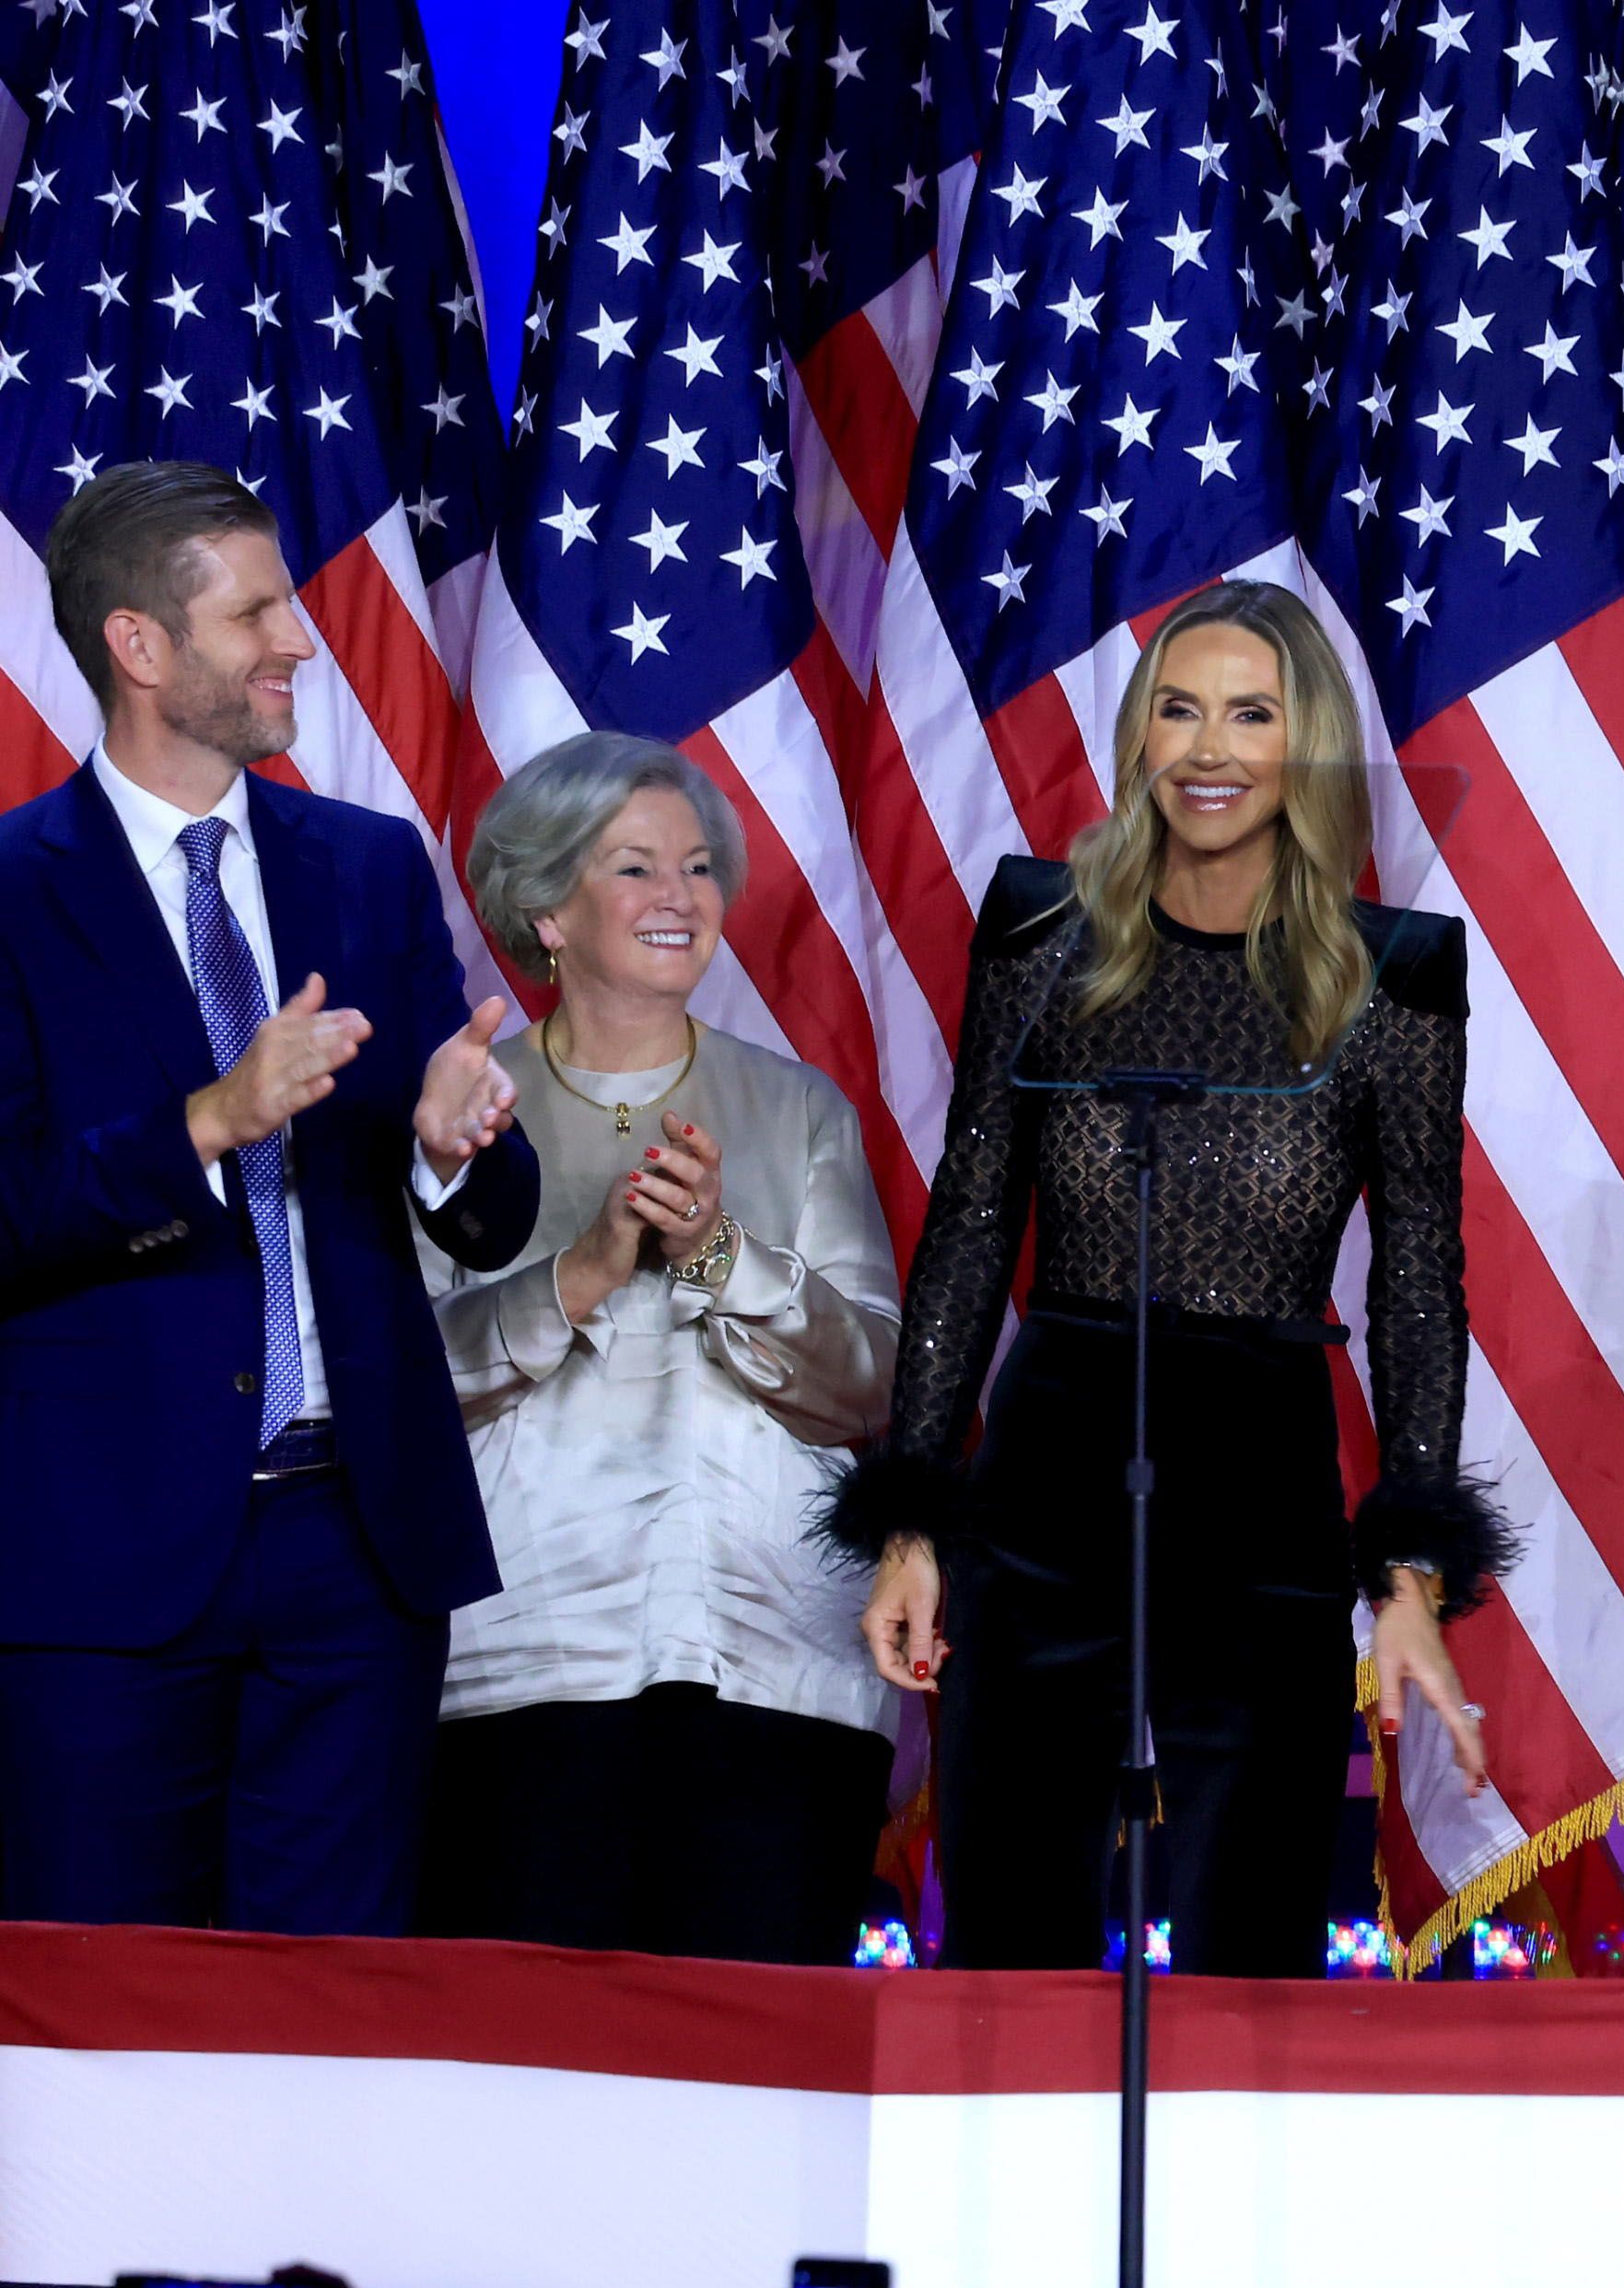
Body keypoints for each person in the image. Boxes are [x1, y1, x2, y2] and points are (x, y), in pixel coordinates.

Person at [827, 582, 1500, 1977]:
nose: (1210, 746)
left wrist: (1414, 1571)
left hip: (1262, 1466)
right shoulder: (1038, 930)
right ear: (1139, 737)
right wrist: (911, 1522)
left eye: (1252, 713)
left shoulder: (1397, 976)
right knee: (1009, 1918)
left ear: (1303, 747)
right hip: (1053, 1448)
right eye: (1179, 709)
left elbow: (1421, 1283)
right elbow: (966, 1225)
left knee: (1254, 1924)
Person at [0, 461, 533, 1936]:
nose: (301, 638)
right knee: (99, 2023)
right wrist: (209, 1122)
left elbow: (488, 1208)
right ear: (141, 646)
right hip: (97, 1565)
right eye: (259, 611)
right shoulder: (10, 889)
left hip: (356, 1554)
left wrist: (454, 1142)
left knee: (332, 2022)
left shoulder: (365, 869)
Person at [413, 735, 905, 1964]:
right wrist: (579, 1273)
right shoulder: (463, 1112)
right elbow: (402, 1384)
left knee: (763, 2083)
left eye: (697, 867)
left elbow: (871, 1387)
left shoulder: (799, 1110)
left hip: (778, 1673)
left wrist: (718, 1251)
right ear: (547, 908)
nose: (680, 898)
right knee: (532, 2088)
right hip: (525, 1668)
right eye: (635, 868)